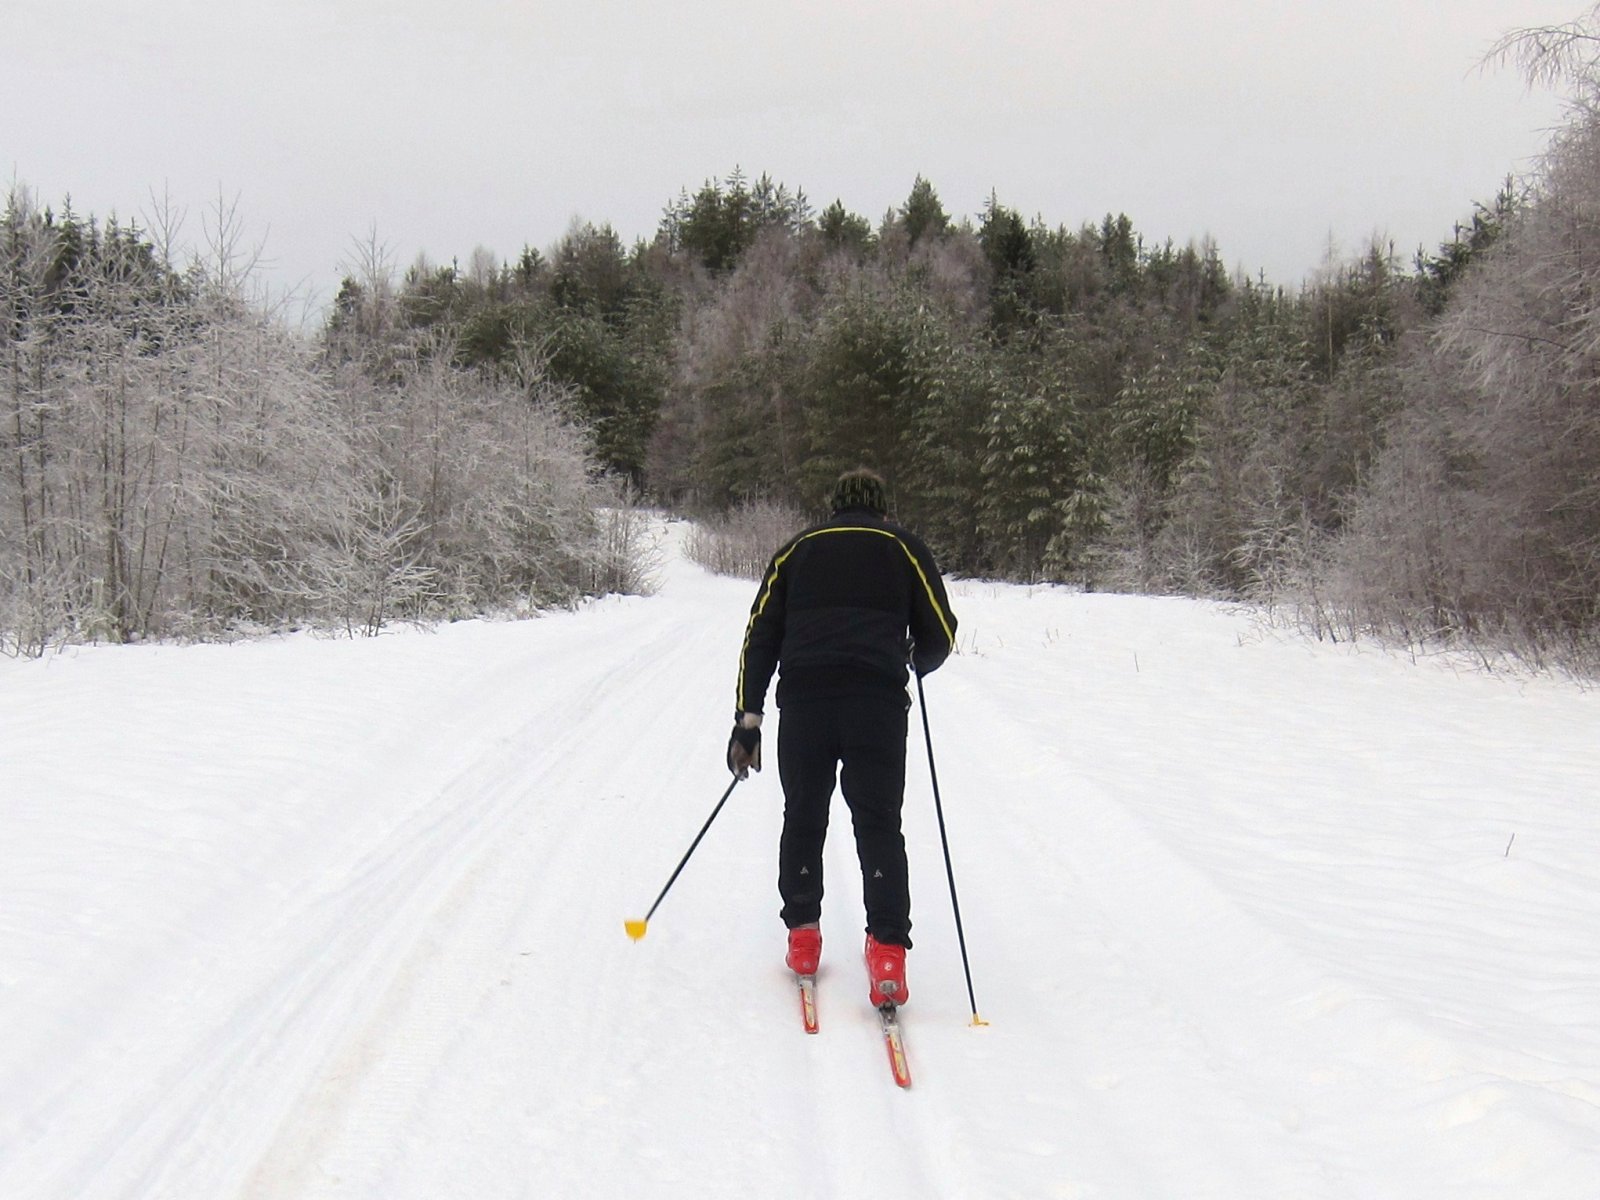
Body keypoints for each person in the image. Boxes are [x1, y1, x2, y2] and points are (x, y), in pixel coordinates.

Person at [726, 468, 957, 1008]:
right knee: (878, 824)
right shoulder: (905, 547)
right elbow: (941, 634)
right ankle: (888, 955)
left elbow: (759, 635)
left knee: (804, 815)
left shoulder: (796, 550)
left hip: (806, 704)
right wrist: (913, 658)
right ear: (881, 508)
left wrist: (748, 719)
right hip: (876, 706)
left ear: (834, 507)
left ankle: (803, 936)